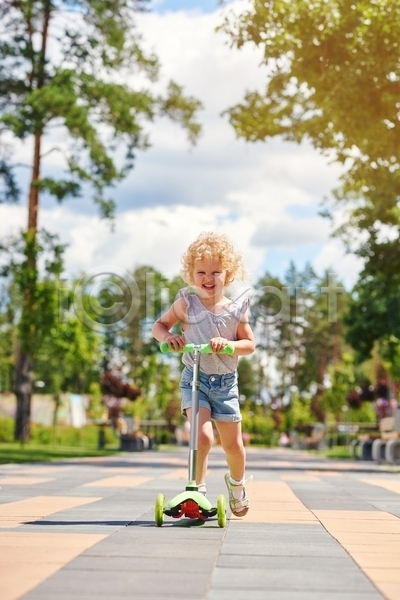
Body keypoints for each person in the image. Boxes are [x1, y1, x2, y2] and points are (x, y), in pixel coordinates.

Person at [152, 231, 255, 516]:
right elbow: (159, 326)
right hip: (194, 380)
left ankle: (237, 485)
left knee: (233, 445)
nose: (208, 278)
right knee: (203, 437)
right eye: (201, 272)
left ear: (228, 274)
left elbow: (249, 345)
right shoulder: (186, 303)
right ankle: (196, 491)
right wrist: (168, 338)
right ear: (191, 274)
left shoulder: (235, 310)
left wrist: (230, 345)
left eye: (215, 272)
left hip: (225, 384)